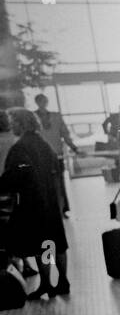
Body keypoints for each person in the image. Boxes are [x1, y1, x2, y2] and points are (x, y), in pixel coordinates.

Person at [1, 108, 70, 297]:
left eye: (13, 121)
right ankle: (61, 283)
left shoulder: (21, 147)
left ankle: (49, 284)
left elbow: (17, 173)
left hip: (32, 202)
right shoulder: (43, 143)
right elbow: (54, 167)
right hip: (50, 199)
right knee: (57, 242)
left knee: (42, 244)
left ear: (21, 123)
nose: (11, 125)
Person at [33, 92, 77, 216]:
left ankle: (61, 208)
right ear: (37, 102)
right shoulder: (33, 118)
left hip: (56, 155)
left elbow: (65, 134)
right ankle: (49, 210)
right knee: (44, 184)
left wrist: (74, 148)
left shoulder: (56, 117)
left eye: (44, 101)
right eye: (40, 101)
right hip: (40, 157)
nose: (42, 103)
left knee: (59, 184)